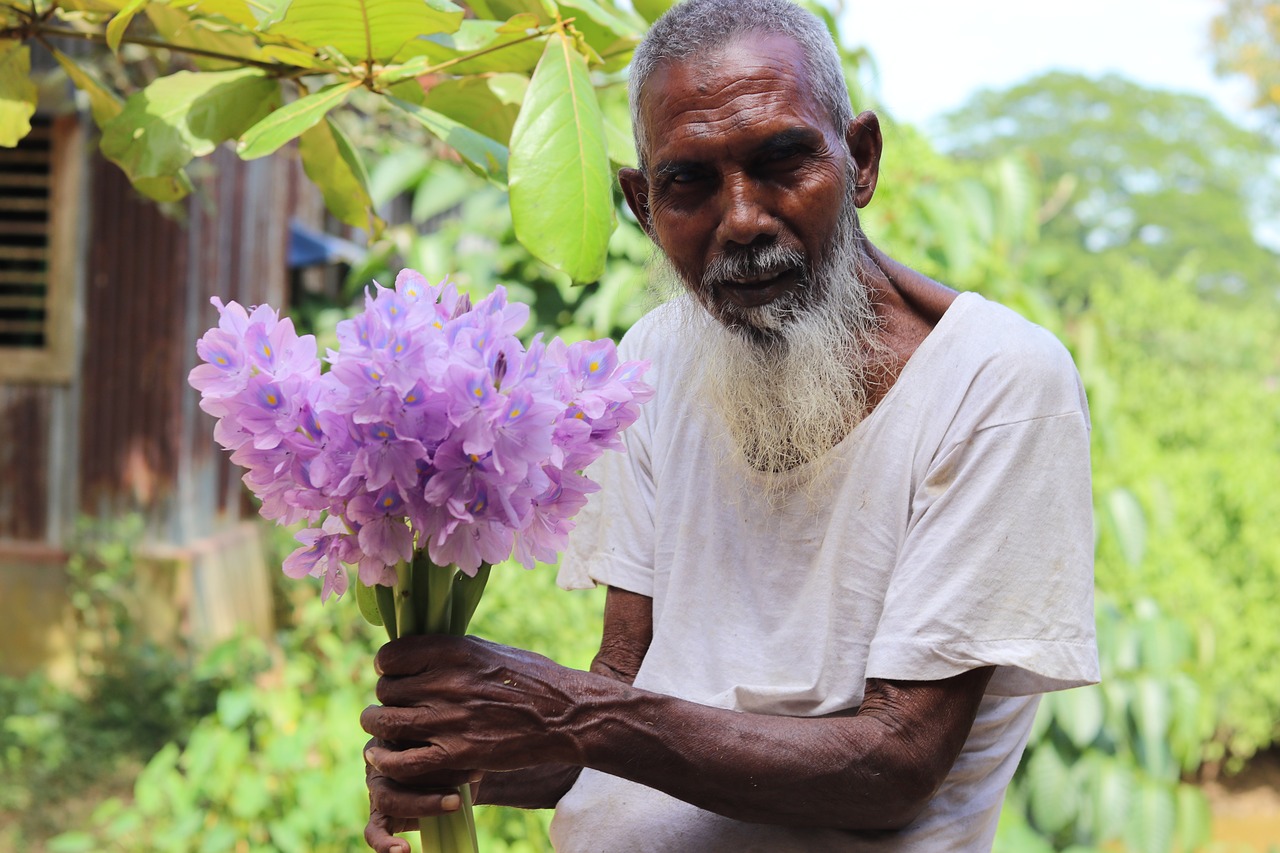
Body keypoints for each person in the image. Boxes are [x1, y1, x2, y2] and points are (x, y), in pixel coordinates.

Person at [360, 0, 1099, 849]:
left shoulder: (996, 380)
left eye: (782, 161)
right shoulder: (658, 356)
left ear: (858, 161)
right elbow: (623, 697)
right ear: (642, 204)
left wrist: (568, 713)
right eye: (691, 183)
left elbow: (895, 764)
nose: (742, 218)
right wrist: (460, 756)